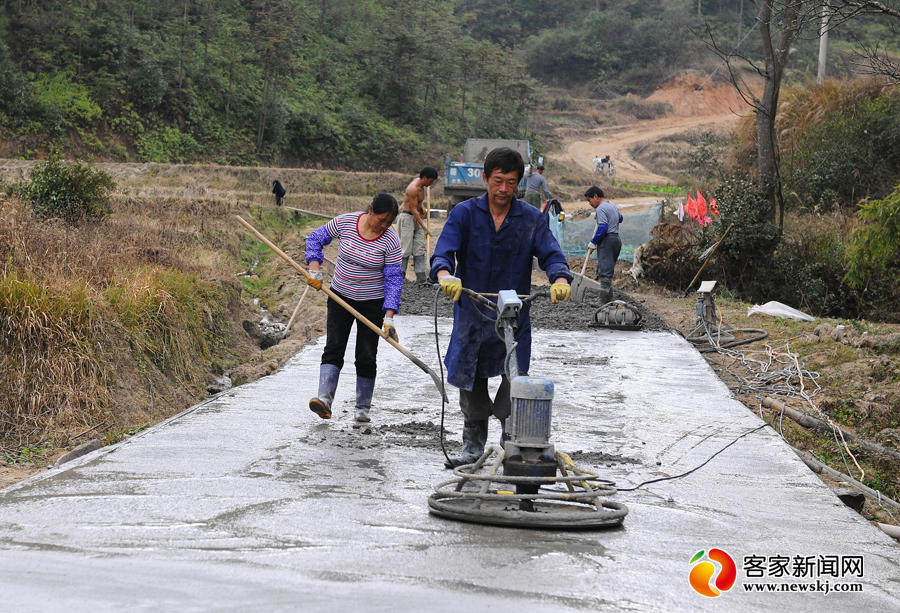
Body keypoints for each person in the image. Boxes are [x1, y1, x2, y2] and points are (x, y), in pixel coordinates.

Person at [430, 147, 573, 468]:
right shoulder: (464, 214)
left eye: (511, 182)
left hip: (513, 314)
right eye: (498, 181)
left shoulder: (530, 219)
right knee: (470, 377)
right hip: (472, 310)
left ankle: (511, 442)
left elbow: (551, 254)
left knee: (515, 376)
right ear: (485, 178)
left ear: (519, 184)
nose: (504, 189)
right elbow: (444, 250)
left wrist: (560, 278)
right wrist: (444, 275)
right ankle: (472, 446)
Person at [305, 193, 402, 424]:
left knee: (366, 355)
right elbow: (315, 238)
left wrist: (389, 317)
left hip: (372, 303)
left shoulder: (391, 241)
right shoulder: (346, 222)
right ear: (370, 209)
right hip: (339, 297)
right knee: (334, 347)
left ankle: (362, 408)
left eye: (389, 223)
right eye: (381, 220)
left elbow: (394, 279)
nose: (384, 226)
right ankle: (324, 401)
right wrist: (314, 268)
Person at [398, 167, 438, 283]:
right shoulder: (412, 189)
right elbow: (413, 210)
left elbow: (418, 205)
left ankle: (421, 277)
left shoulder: (423, 187)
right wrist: (424, 227)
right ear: (425, 178)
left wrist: (422, 208)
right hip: (407, 218)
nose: (431, 184)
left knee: (420, 247)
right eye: (430, 181)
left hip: (417, 217)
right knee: (406, 248)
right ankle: (400, 276)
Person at [585, 185, 622, 302]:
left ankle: (603, 301)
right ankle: (608, 299)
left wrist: (593, 242)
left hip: (607, 240)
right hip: (616, 240)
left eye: (589, 200)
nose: (589, 203)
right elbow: (620, 218)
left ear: (596, 196)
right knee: (608, 271)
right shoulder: (611, 205)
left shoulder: (600, 208)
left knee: (605, 271)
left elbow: (603, 227)